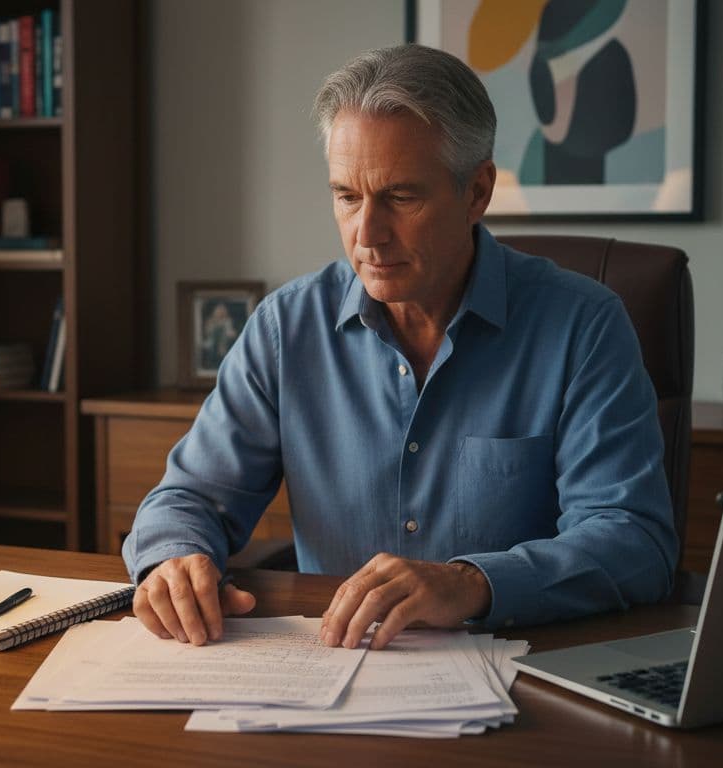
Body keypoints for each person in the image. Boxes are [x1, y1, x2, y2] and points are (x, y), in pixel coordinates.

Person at [123, 44, 676, 651]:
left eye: (400, 197)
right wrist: (172, 559)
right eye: (347, 196)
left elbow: (632, 540)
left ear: (477, 191)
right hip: (331, 675)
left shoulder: (584, 325)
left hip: (523, 676)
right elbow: (190, 496)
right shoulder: (287, 328)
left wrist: (470, 583)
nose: (367, 234)